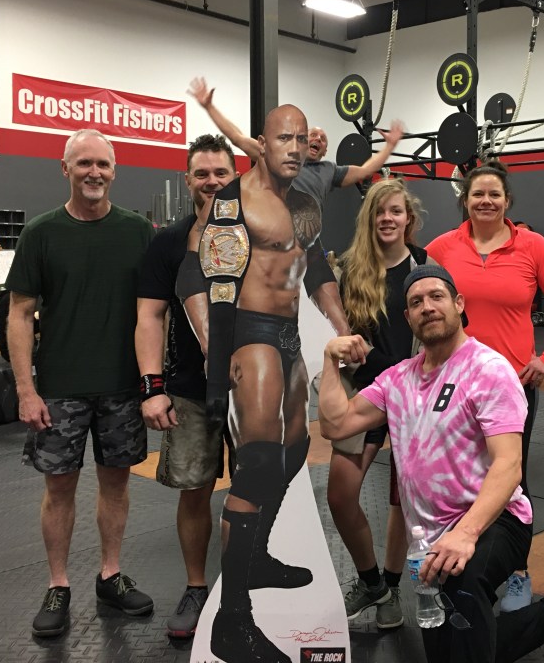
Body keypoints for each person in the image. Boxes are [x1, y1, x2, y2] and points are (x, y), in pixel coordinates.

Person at [317, 264, 544, 662]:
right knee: (457, 646)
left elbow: (509, 465)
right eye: (416, 302)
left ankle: (522, 606)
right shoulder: (397, 379)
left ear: (458, 304)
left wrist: (466, 533)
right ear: (408, 318)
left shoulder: (489, 370)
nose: (427, 307)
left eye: (436, 296)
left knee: (463, 587)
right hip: (431, 538)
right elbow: (335, 425)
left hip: (496, 520)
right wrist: (329, 362)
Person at [176, 104, 353, 663]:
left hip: (288, 334)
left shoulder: (304, 203)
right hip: (248, 333)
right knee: (256, 463)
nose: (294, 148)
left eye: (301, 138)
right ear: (261, 143)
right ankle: (232, 621)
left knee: (294, 450)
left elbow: (316, 269)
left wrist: (343, 328)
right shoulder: (234, 201)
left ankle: (254, 560)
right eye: (284, 138)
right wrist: (217, 350)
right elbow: (199, 277)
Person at [7, 129, 156, 638]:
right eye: (84, 163)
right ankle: (58, 584)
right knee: (59, 489)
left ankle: (110, 575)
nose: (95, 172)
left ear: (114, 171)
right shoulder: (41, 233)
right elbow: (20, 314)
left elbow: (154, 312)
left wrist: (152, 384)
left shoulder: (138, 232)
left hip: (122, 387)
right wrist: (26, 389)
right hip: (59, 389)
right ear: (65, 168)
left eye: (103, 164)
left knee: (117, 484)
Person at [425, 160, 544, 612]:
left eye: (494, 194)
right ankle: (457, 563)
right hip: (453, 387)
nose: (486, 201)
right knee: (456, 478)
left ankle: (517, 573)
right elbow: (414, 298)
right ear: (465, 200)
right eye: (478, 194)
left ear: (507, 201)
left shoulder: (532, 246)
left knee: (512, 481)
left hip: (510, 388)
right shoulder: (442, 248)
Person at [135, 134, 237, 638]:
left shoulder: (257, 236)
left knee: (258, 491)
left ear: (235, 177)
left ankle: (242, 589)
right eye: (202, 173)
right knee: (195, 491)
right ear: (188, 179)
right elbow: (149, 317)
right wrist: (153, 388)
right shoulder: (169, 243)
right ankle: (197, 588)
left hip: (252, 389)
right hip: (191, 389)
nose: (212, 182)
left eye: (221, 173)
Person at [327, 178, 434, 630]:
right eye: (379, 211)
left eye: (395, 211)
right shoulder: (348, 269)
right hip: (367, 393)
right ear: (369, 218)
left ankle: (390, 586)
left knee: (405, 501)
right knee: (340, 494)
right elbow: (334, 335)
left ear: (408, 218)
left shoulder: (426, 267)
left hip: (415, 395)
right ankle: (372, 583)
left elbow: (446, 332)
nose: (387, 219)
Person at [188, 76, 404, 214]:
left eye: (322, 139)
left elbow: (365, 170)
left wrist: (389, 146)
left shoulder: (329, 171)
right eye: (312, 135)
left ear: (325, 151)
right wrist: (209, 107)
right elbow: (238, 138)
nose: (317, 139)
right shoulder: (274, 157)